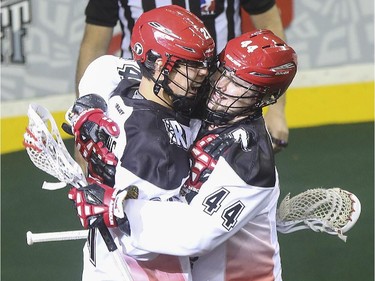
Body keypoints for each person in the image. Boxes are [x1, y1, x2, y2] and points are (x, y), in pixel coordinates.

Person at [70, 29, 297, 280]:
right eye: (223, 71)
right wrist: (91, 106)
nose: (221, 86)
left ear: (264, 97)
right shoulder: (211, 93)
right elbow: (108, 68)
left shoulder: (250, 158)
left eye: (238, 84)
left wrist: (119, 210)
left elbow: (195, 233)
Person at [65, 5, 215, 280]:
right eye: (192, 65)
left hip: (104, 263)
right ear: (159, 65)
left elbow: (105, 66)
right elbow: (154, 244)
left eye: (205, 64)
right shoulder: (153, 148)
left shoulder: (134, 87)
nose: (204, 74)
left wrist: (90, 106)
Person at [75, 0, 289, 152]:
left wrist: (277, 111)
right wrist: (83, 127)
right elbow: (94, 46)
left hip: (218, 99)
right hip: (145, 98)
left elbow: (269, 28)